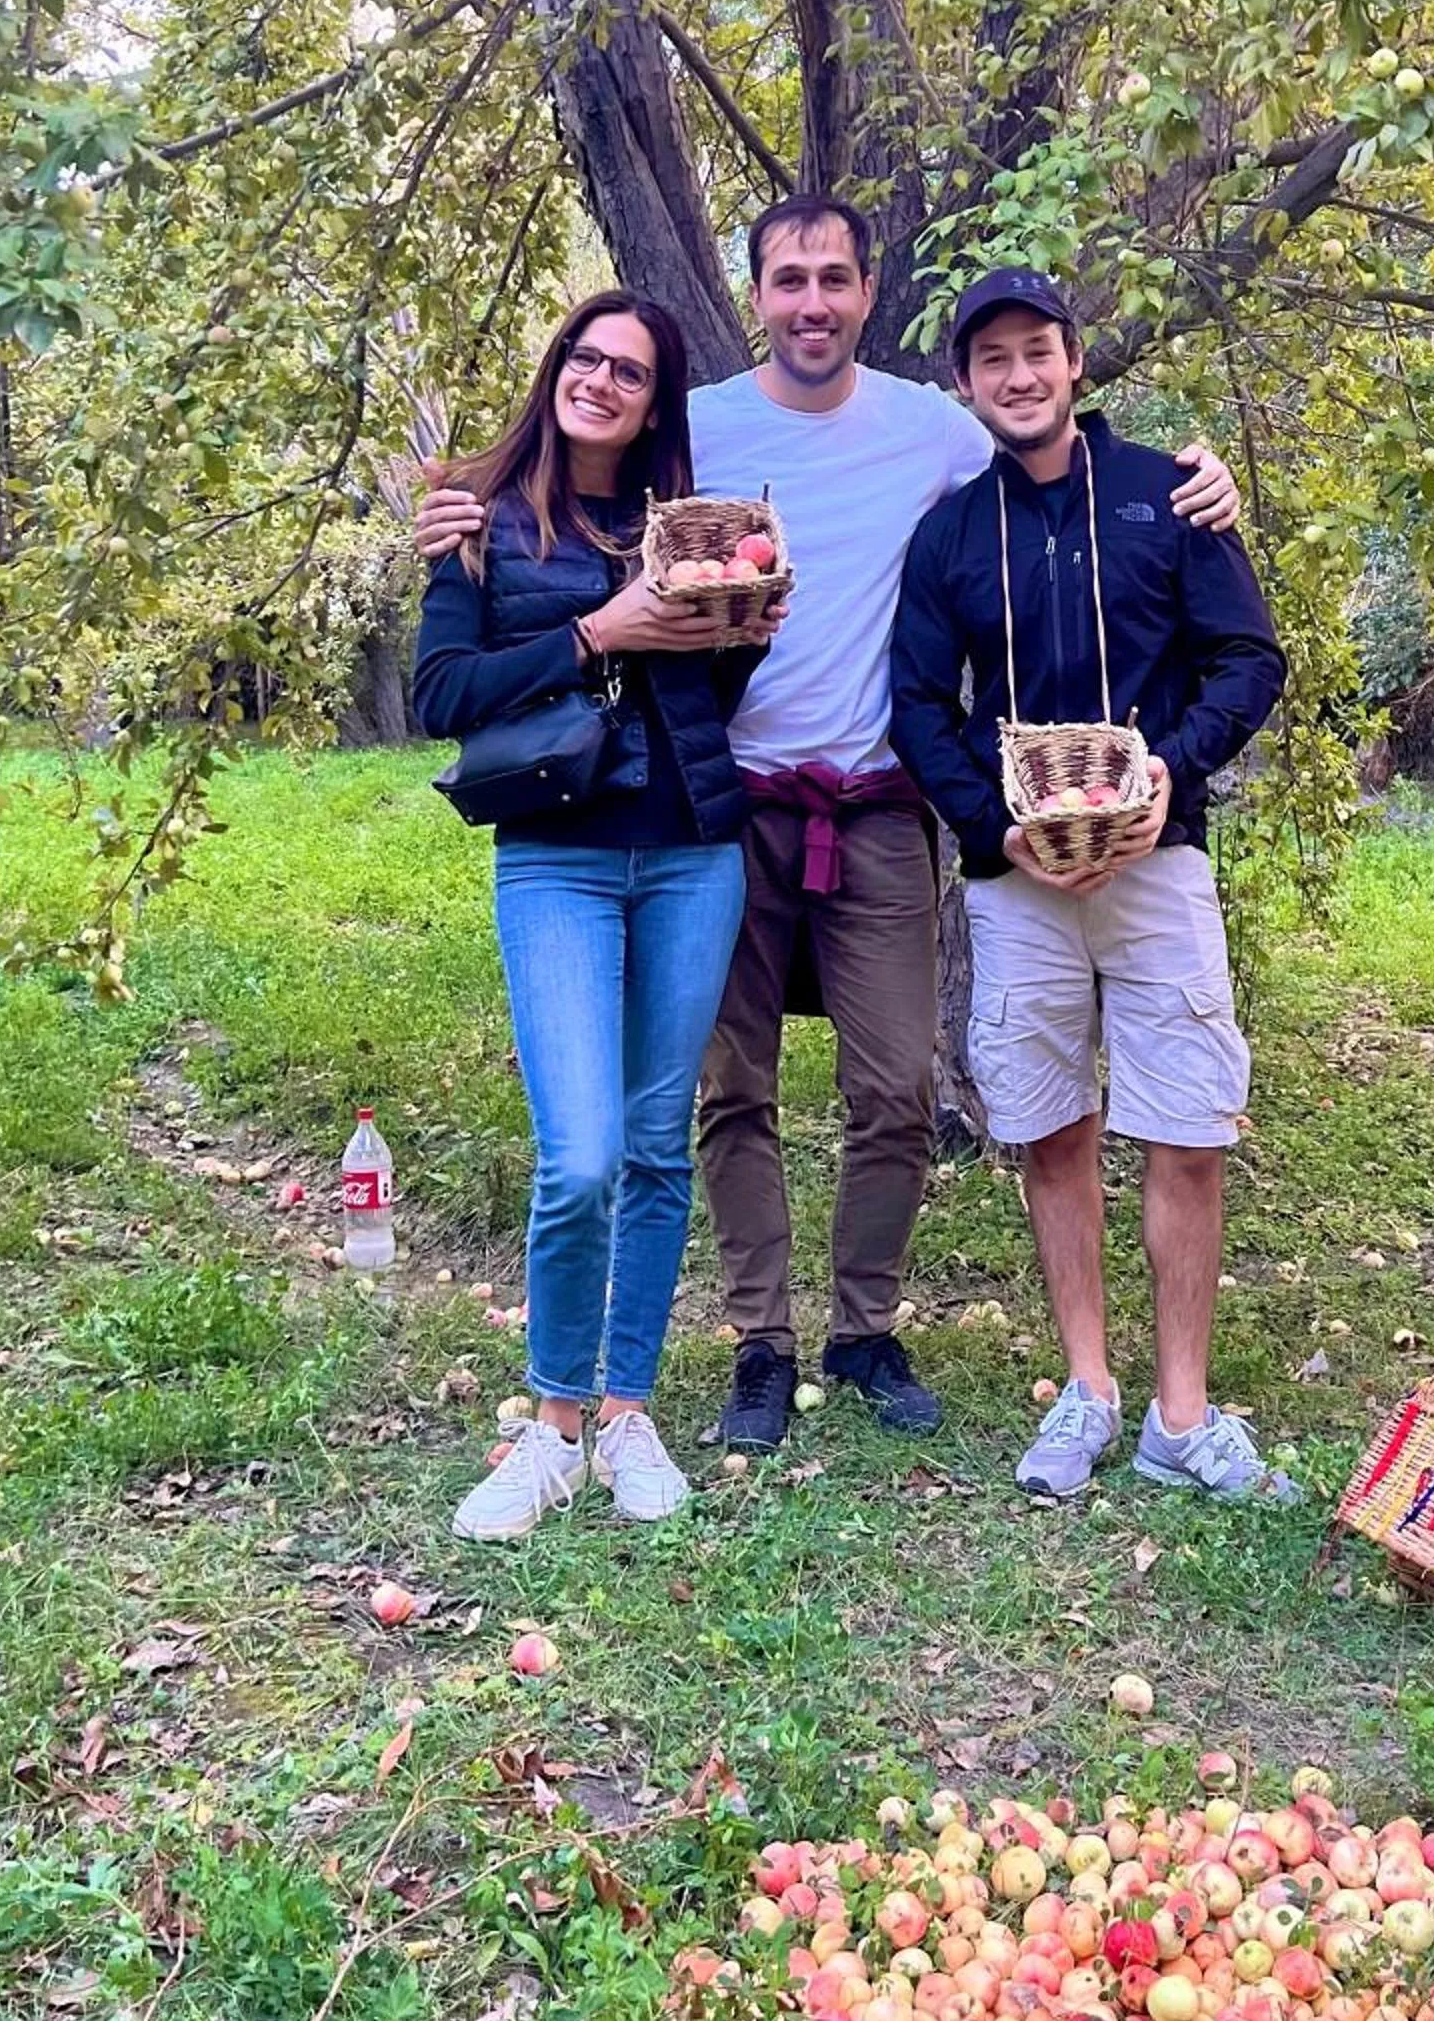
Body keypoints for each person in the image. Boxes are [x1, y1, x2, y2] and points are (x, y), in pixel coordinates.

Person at [414, 199, 1240, 1451]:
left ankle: (862, 1328)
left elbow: (1050, 464)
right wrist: (457, 509)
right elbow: (563, 472)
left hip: (877, 808)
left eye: (835, 279)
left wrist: (1199, 481)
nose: (813, 301)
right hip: (723, 806)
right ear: (758, 294)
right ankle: (761, 1341)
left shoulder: (934, 429)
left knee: (896, 1084)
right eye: (788, 279)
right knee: (732, 1092)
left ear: (866, 294)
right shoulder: (692, 426)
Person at [887, 269, 1290, 1503]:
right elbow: (914, 703)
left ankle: (1180, 1415)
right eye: (991, 359)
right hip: (1021, 885)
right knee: (1051, 1125)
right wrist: (990, 828)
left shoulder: (1168, 495)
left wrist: (1172, 769)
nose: (1018, 375)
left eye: (1037, 352)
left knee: (1187, 1126)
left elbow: (1250, 656)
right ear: (966, 384)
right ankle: (1088, 1391)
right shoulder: (954, 534)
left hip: (1159, 865)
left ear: (1074, 363)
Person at [412, 290, 776, 1537]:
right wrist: (592, 631)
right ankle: (552, 1423)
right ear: (555, 368)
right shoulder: (481, 523)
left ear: (654, 401)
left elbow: (716, 686)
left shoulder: (687, 524)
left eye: (630, 371)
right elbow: (441, 695)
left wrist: (748, 617)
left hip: (691, 854)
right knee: (578, 1159)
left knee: (658, 1143)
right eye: (587, 357)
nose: (603, 381)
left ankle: (627, 1414)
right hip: (558, 861)